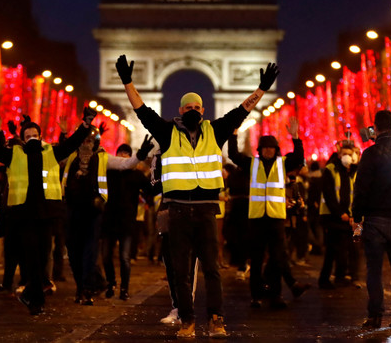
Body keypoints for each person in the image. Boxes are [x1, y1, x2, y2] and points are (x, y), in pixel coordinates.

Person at [115, 54, 279, 338]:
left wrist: (261, 90)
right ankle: (188, 320)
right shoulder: (167, 132)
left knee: (212, 271)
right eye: (187, 106)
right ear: (181, 109)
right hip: (177, 210)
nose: (192, 110)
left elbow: (241, 111)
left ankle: (216, 318)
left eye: (196, 106)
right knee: (180, 271)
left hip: (205, 211)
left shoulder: (215, 131)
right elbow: (142, 111)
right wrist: (127, 82)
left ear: (203, 110)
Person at [0, 105, 94, 314]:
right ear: (22, 138)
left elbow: (73, 143)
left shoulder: (51, 151)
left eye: (34, 134)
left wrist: (85, 125)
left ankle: (32, 295)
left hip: (47, 214)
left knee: (42, 256)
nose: (31, 137)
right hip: (23, 215)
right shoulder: (14, 153)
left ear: (40, 136)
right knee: (31, 256)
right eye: (28, 135)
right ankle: (36, 301)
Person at [62, 127, 151, 305]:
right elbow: (58, 153)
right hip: (72, 212)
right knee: (74, 254)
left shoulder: (104, 158)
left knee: (90, 253)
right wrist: (65, 135)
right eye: (83, 139)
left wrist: (140, 154)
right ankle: (83, 286)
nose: (86, 143)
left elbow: (126, 164)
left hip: (94, 213)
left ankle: (86, 289)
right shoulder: (71, 157)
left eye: (90, 139)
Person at [227, 117, 309, 308]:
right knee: (256, 261)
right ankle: (256, 296)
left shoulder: (284, 163)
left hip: (276, 218)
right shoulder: (251, 164)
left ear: (276, 150)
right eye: (264, 148)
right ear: (260, 150)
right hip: (257, 219)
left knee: (278, 259)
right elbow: (233, 154)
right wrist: (234, 133)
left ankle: (275, 294)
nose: (268, 151)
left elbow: (299, 157)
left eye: (271, 148)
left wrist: (295, 137)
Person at [351, 110, 391, 329]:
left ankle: (375, 316)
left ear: (375, 128)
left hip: (376, 219)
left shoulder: (370, 155)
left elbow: (361, 189)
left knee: (374, 270)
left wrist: (357, 216)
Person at [102, 142, 153, 301]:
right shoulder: (108, 173)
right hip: (109, 220)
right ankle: (111, 283)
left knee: (124, 257)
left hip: (126, 221)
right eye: (120, 153)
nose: (123, 156)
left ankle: (124, 288)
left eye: (126, 153)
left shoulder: (137, 175)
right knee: (106, 255)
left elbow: (149, 192)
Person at [318, 142, 358, 290]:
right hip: (334, 218)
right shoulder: (331, 169)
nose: (347, 157)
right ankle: (336, 277)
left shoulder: (353, 171)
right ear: (339, 155)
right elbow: (329, 195)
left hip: (352, 218)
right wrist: (340, 213)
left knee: (352, 246)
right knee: (336, 249)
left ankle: (347, 275)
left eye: (350, 154)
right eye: (344, 154)